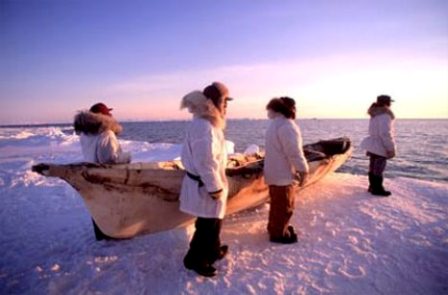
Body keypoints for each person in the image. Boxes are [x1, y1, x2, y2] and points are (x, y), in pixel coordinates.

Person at [179, 82, 232, 277]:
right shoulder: (204, 127)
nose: (226, 106)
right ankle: (194, 259)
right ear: (214, 102)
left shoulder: (207, 123)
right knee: (207, 225)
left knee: (214, 221)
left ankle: (213, 251)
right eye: (224, 102)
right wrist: (214, 187)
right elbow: (205, 160)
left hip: (207, 183)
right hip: (205, 185)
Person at [73, 102, 131, 240]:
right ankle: (114, 237)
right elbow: (110, 160)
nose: (111, 115)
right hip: (107, 178)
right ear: (104, 116)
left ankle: (102, 235)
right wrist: (127, 157)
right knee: (113, 208)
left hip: (92, 175)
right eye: (108, 113)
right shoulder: (106, 133)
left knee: (98, 207)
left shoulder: (85, 134)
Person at [264, 97, 309, 244]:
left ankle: (274, 227)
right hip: (283, 174)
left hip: (273, 172)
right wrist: (303, 170)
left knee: (277, 204)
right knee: (285, 206)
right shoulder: (287, 126)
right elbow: (294, 152)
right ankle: (278, 234)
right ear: (290, 108)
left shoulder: (274, 124)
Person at [360, 95, 396, 197]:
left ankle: (372, 187)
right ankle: (378, 189)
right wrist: (390, 149)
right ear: (387, 103)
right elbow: (385, 133)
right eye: (390, 102)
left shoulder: (374, 114)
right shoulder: (385, 115)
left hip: (372, 144)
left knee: (372, 166)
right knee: (379, 168)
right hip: (380, 145)